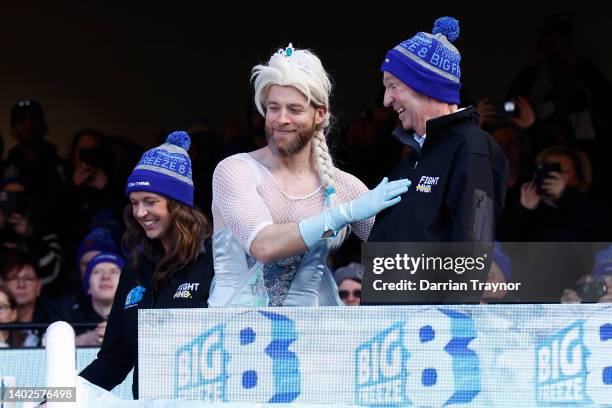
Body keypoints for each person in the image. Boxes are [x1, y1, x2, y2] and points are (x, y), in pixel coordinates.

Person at [208, 44, 410, 308]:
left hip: (310, 342)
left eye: (294, 109)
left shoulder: (345, 187)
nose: (281, 119)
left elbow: (406, 263)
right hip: (232, 339)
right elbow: (263, 247)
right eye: (273, 108)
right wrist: (342, 214)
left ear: (320, 113)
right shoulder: (235, 170)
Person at [366, 16, 508, 303]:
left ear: (425, 85)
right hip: (390, 331)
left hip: (429, 336)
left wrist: (447, 333)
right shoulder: (412, 158)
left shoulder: (471, 148)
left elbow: (472, 254)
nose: (386, 100)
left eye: (393, 85)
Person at [79, 131, 214, 398]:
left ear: (178, 205)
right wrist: (55, 399)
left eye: (150, 202)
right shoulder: (136, 267)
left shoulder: (216, 261)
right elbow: (112, 361)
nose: (140, 213)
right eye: (134, 203)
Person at [72, 252, 124, 346]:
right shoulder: (69, 319)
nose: (105, 277)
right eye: (97, 271)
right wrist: (84, 340)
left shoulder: (136, 317)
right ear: (88, 287)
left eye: (113, 271)